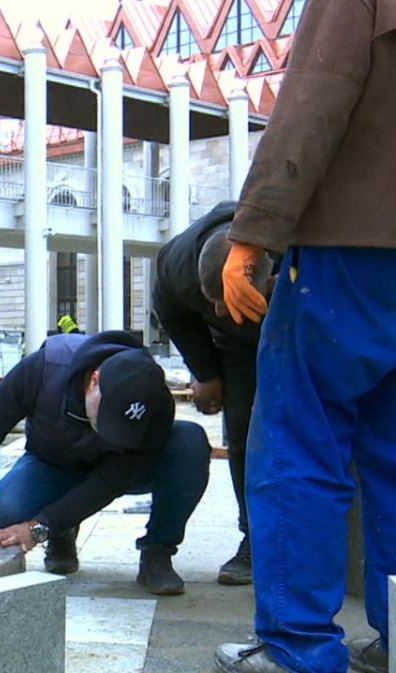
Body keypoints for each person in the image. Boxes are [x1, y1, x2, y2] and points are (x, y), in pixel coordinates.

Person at [214, 2, 396, 672]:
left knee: (299, 447)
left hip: (345, 256)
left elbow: (315, 93)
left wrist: (252, 233)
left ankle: (298, 649)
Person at [0, 330, 212, 596]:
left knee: (189, 443)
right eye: (107, 418)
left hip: (115, 469)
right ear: (94, 380)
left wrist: (38, 530)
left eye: (121, 428)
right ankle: (62, 533)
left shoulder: (155, 401)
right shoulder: (44, 370)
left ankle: (157, 552)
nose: (107, 433)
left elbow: (108, 484)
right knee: (8, 510)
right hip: (53, 464)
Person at [152, 201, 274, 587]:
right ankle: (254, 541)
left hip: (295, 328)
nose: (222, 310)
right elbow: (174, 316)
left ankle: (312, 541)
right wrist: (206, 373)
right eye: (213, 302)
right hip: (235, 349)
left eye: (232, 300)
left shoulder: (292, 242)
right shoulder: (175, 265)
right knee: (242, 435)